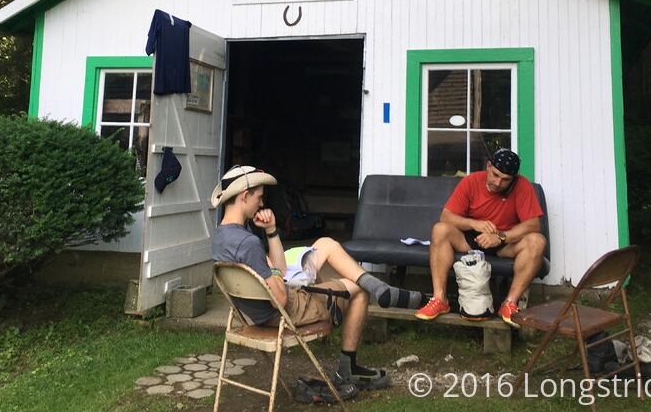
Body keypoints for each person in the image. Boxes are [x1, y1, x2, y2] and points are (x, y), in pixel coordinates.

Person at [211, 165, 422, 389]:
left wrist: (271, 230)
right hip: (286, 312)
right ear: (245, 196)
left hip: (257, 312)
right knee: (358, 289)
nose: (262, 204)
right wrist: (273, 271)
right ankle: (347, 369)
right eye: (260, 197)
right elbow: (280, 297)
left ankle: (377, 287)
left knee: (324, 244)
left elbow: (278, 271)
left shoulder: (222, 236)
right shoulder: (248, 243)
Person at [415, 148, 547, 326]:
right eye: (495, 175)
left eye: (505, 180)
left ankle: (510, 304)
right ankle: (440, 300)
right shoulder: (471, 181)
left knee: (537, 241)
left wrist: (501, 236)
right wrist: (473, 223)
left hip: (504, 243)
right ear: (488, 166)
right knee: (440, 229)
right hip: (470, 240)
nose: (498, 182)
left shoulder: (522, 186)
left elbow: (533, 225)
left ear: (514, 178)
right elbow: (446, 217)